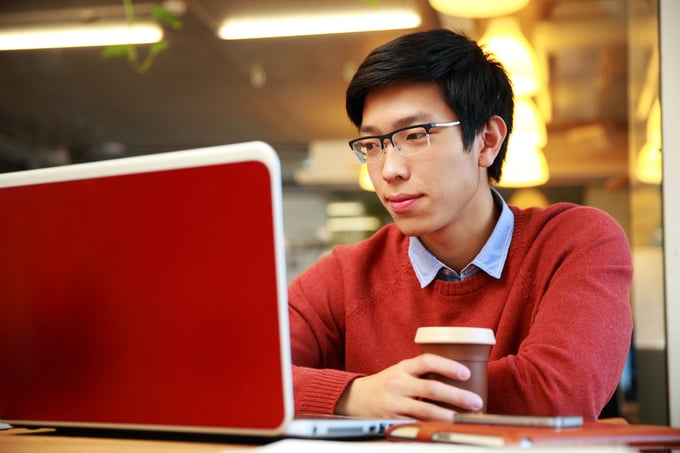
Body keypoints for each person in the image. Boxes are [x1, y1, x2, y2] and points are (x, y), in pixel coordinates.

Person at [287, 28, 633, 422]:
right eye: (372, 145)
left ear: (487, 141)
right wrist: (356, 394)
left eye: (416, 136)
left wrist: (404, 397)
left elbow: (559, 394)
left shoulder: (577, 242)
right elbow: (236, 373)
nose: (389, 170)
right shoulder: (348, 274)